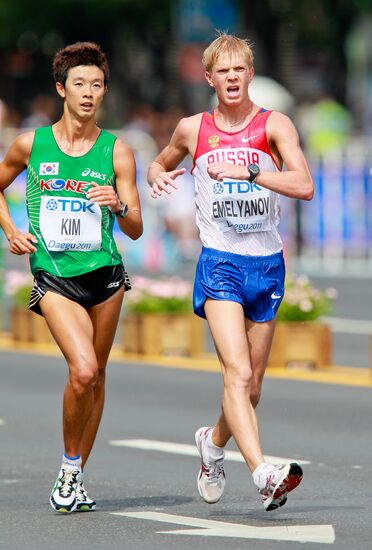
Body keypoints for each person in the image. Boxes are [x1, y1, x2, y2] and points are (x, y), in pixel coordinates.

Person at [147, 33, 313, 511]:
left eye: (240, 69)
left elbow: (303, 185)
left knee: (251, 387)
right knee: (235, 372)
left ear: (250, 74)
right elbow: (161, 160)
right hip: (219, 262)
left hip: (267, 263)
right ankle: (263, 473)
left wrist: (253, 174)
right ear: (209, 78)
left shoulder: (273, 125)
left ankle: (212, 444)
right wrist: (158, 173)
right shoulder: (191, 128)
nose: (232, 77)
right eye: (223, 71)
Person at [0, 42, 143, 513]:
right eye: (79, 84)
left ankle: (77, 474)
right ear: (61, 89)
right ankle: (67, 467)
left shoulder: (117, 151)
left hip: (104, 275)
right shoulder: (31, 144)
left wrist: (117, 204)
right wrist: (10, 229)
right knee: (81, 369)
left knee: (96, 377)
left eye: (96, 85)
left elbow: (136, 227)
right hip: (54, 273)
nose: (88, 93)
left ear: (104, 92)